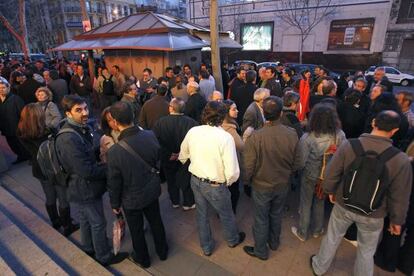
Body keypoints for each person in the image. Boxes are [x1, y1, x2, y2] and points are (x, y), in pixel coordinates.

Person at [310, 111, 412, 276]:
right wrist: (397, 220)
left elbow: (331, 173)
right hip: (375, 213)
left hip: (344, 203)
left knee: (332, 237)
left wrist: (331, 191)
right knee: (366, 250)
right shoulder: (400, 159)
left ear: (373, 123)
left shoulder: (350, 145)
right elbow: (400, 195)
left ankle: (319, 267)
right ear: (394, 130)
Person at [56, 95, 127, 266]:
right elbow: (85, 170)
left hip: (79, 187)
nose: (85, 113)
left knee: (85, 219)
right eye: (78, 110)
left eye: (85, 108)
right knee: (98, 222)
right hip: (83, 188)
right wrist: (108, 167)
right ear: (68, 113)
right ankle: (103, 256)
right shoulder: (68, 138)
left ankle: (88, 247)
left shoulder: (80, 128)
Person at [179, 101, 245, 256]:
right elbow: (232, 170)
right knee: (226, 214)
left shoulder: (193, 131)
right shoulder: (225, 137)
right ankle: (232, 239)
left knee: (201, 215)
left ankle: (207, 247)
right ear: (222, 116)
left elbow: (183, 154)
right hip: (215, 185)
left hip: (195, 180)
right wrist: (228, 182)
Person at [106, 101, 168, 268]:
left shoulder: (114, 152)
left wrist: (114, 204)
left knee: (136, 229)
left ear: (115, 122)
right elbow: (157, 157)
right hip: (151, 189)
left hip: (131, 198)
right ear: (133, 116)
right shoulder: (150, 135)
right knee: (156, 221)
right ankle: (163, 252)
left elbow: (114, 182)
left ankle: (144, 259)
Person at [242, 96, 299, 260]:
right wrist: (289, 173)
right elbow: (298, 160)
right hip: (282, 184)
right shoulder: (292, 133)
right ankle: (274, 242)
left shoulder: (256, 136)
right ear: (281, 113)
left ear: (264, 114)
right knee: (276, 214)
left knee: (261, 218)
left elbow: (248, 165)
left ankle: (261, 250)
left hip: (261, 185)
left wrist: (247, 181)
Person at [17, 104, 78, 235]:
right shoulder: (47, 131)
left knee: (49, 196)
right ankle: (67, 225)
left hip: (39, 168)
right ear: (38, 117)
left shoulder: (21, 132)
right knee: (62, 197)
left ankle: (55, 222)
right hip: (54, 168)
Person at [291, 103, 346, 242]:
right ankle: (317, 230)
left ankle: (302, 232)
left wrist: (295, 171)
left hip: (310, 174)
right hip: (328, 176)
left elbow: (301, 161)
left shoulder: (308, 137)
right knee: (320, 201)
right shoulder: (339, 135)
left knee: (305, 203)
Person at [152, 98, 198, 210]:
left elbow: (156, 142)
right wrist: (183, 154)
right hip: (186, 159)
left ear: (171, 108)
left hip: (168, 159)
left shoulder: (160, 122)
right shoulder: (192, 122)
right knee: (186, 179)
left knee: (171, 180)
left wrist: (169, 154)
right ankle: (189, 202)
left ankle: (175, 201)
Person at [222, 100, 244, 213]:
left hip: (222, 166)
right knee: (233, 192)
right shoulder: (230, 129)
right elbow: (241, 146)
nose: (237, 111)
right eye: (234, 109)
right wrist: (247, 135)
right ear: (226, 112)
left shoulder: (221, 124)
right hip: (230, 166)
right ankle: (230, 214)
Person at [0, 80, 29, 164]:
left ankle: (28, 157)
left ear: (8, 88)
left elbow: (23, 113)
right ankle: (21, 156)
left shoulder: (15, 98)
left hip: (17, 127)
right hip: (6, 128)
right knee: (13, 145)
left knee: (21, 144)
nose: (1, 90)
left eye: (3, 88)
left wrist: (23, 126)